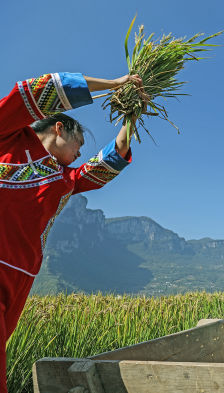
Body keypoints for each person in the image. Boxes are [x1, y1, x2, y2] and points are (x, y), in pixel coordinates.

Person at [0, 71, 146, 393]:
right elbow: (38, 92)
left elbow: (112, 157)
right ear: (59, 128)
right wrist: (114, 85)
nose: (81, 151)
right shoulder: (7, 136)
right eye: (79, 141)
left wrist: (130, 113)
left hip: (20, 280)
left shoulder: (66, 179)